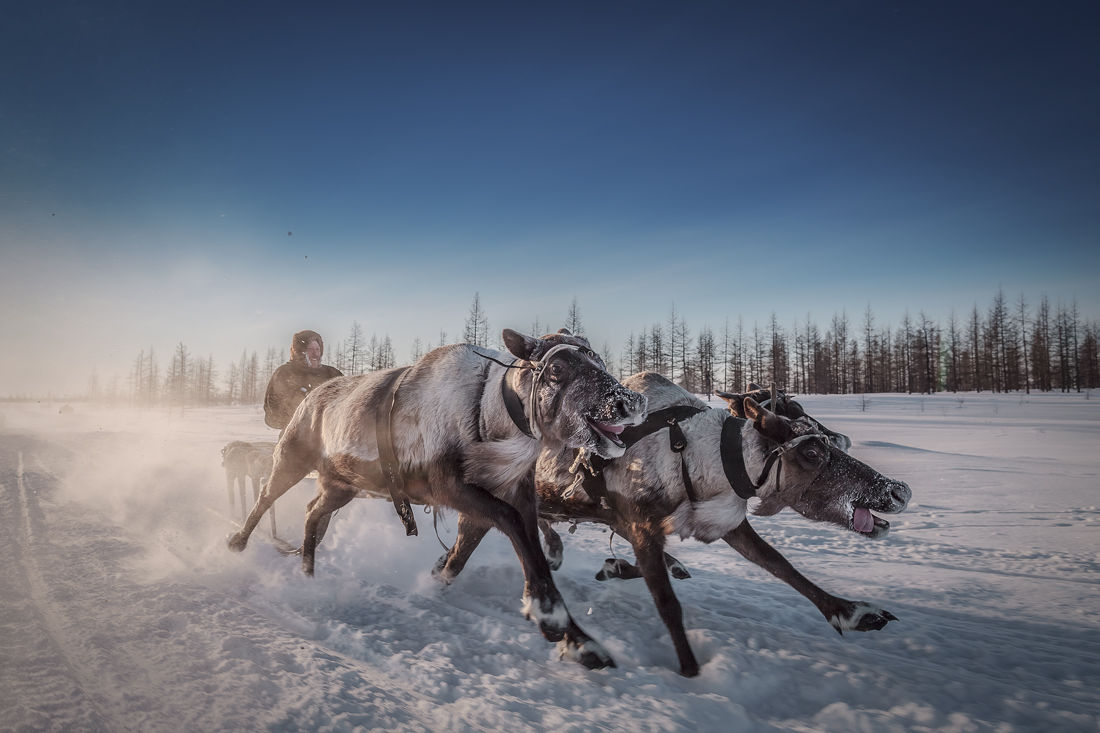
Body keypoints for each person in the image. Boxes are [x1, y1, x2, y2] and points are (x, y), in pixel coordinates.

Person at [263, 329, 344, 431]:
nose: (315, 354)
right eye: (310, 349)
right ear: (300, 352)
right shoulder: (285, 373)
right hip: (294, 436)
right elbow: (271, 409)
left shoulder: (332, 374)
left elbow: (346, 403)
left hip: (328, 436)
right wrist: (295, 419)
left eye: (317, 349)